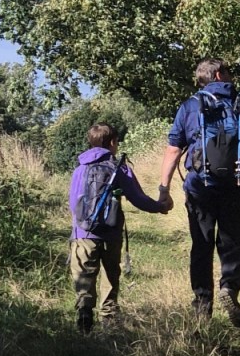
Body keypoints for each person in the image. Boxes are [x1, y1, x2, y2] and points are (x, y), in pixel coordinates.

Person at [157, 59, 240, 326]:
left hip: (199, 188)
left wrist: (164, 189)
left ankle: (202, 305)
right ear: (219, 74)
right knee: (232, 243)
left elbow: (173, 150)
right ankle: (229, 288)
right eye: (228, 72)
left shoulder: (189, 106)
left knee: (202, 245)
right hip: (236, 185)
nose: (231, 77)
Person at [69, 122, 170, 333]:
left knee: (84, 276)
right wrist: (159, 207)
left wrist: (79, 229)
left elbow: (73, 203)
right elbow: (137, 197)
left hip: (83, 234)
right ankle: (109, 317)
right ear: (113, 143)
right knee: (110, 274)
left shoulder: (80, 169)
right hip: (111, 232)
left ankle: (85, 313)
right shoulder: (118, 167)